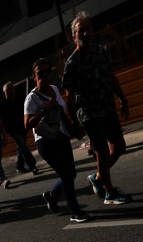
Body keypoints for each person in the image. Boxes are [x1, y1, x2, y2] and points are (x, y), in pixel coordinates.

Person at [62, 12, 131, 206]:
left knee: (119, 147)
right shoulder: (72, 64)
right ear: (74, 36)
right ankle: (109, 192)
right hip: (89, 113)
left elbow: (111, 76)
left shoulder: (100, 51)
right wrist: (73, 121)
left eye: (88, 29)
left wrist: (123, 99)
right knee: (101, 150)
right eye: (80, 31)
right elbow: (69, 96)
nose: (85, 33)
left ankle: (98, 177)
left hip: (107, 106)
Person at [24, 58, 89, 224]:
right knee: (67, 175)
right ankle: (75, 211)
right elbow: (27, 124)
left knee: (71, 173)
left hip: (62, 136)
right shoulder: (31, 98)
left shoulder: (54, 89)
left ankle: (52, 195)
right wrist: (43, 109)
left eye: (47, 72)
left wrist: (74, 129)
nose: (44, 76)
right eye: (40, 73)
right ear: (34, 76)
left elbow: (62, 112)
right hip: (46, 141)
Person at [0, 81, 39, 175]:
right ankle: (33, 166)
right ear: (5, 92)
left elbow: (25, 112)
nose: (11, 91)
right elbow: (3, 120)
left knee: (21, 147)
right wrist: (5, 132)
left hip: (22, 128)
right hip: (13, 131)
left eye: (12, 88)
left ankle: (19, 166)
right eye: (8, 89)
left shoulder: (19, 100)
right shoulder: (2, 104)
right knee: (24, 147)